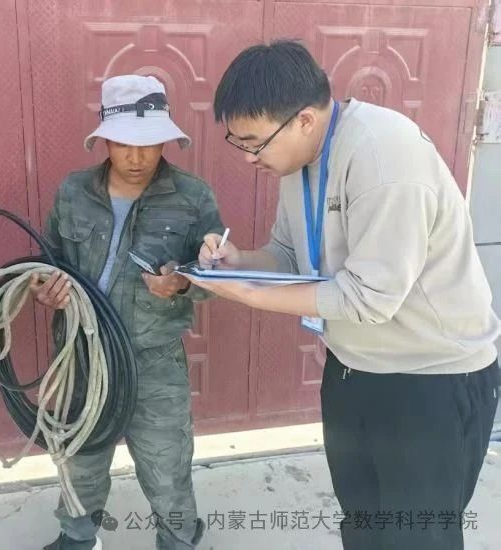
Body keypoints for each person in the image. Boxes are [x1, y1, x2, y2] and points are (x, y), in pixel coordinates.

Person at [184, 40, 501, 550]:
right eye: (237, 141)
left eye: (254, 142)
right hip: (354, 369)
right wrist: (238, 263)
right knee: (363, 528)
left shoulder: (383, 156)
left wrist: (248, 295)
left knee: (418, 539)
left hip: (431, 380)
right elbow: (289, 255)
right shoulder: (299, 158)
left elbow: (369, 299)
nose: (247, 157)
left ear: (304, 120)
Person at [33, 74, 224, 550]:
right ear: (105, 140)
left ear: (165, 141)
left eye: (149, 144)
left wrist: (183, 283)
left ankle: (178, 540)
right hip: (82, 355)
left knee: (166, 464)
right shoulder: (74, 191)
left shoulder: (193, 197)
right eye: (124, 144)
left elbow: (216, 278)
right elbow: (48, 260)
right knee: (79, 456)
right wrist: (44, 287)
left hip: (153, 358)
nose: (137, 158)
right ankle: (78, 537)